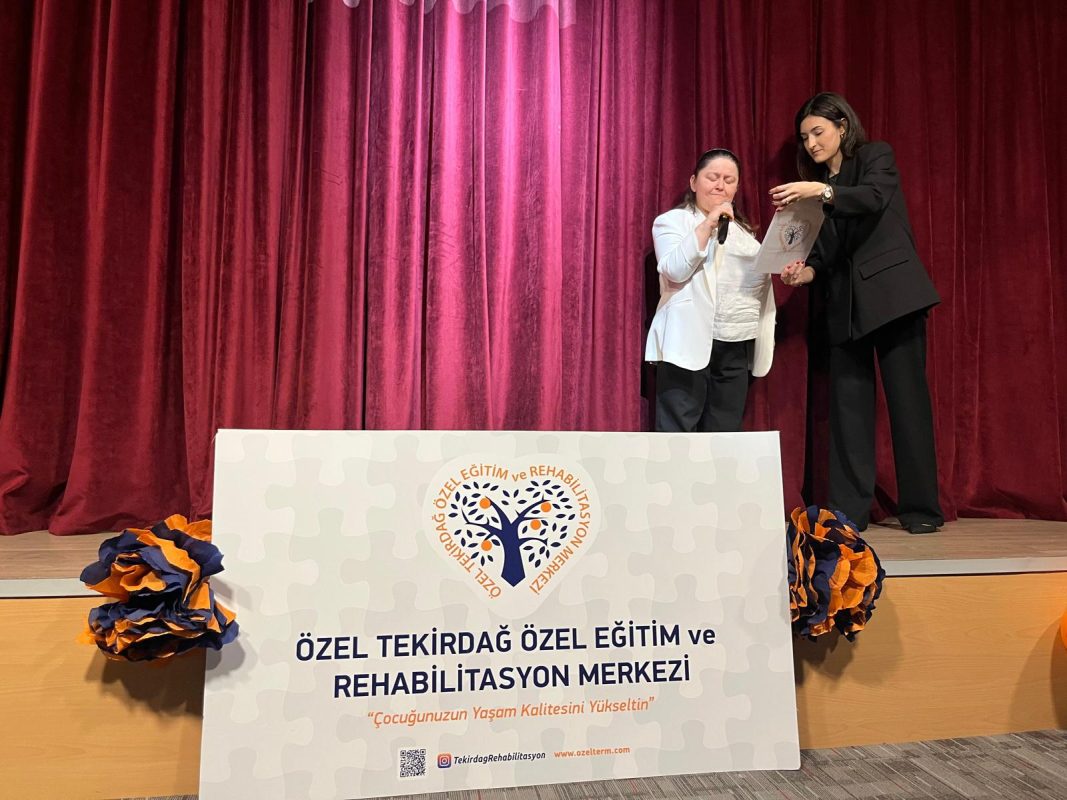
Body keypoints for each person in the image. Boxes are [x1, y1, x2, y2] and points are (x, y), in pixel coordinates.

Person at [772, 91, 944, 534]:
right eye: (804, 137)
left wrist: (822, 191)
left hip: (893, 297)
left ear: (842, 127)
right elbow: (824, 253)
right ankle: (849, 512)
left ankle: (922, 510)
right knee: (848, 412)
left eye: (818, 132)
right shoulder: (813, 193)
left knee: (908, 405)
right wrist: (805, 273)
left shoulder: (873, 157)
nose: (811, 143)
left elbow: (872, 197)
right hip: (845, 307)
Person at [645, 148, 776, 432]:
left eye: (729, 180)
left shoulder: (745, 235)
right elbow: (674, 270)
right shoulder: (672, 222)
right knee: (677, 437)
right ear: (694, 182)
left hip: (734, 345)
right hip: (687, 341)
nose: (720, 185)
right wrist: (708, 224)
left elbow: (760, 284)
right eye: (712, 177)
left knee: (724, 438)